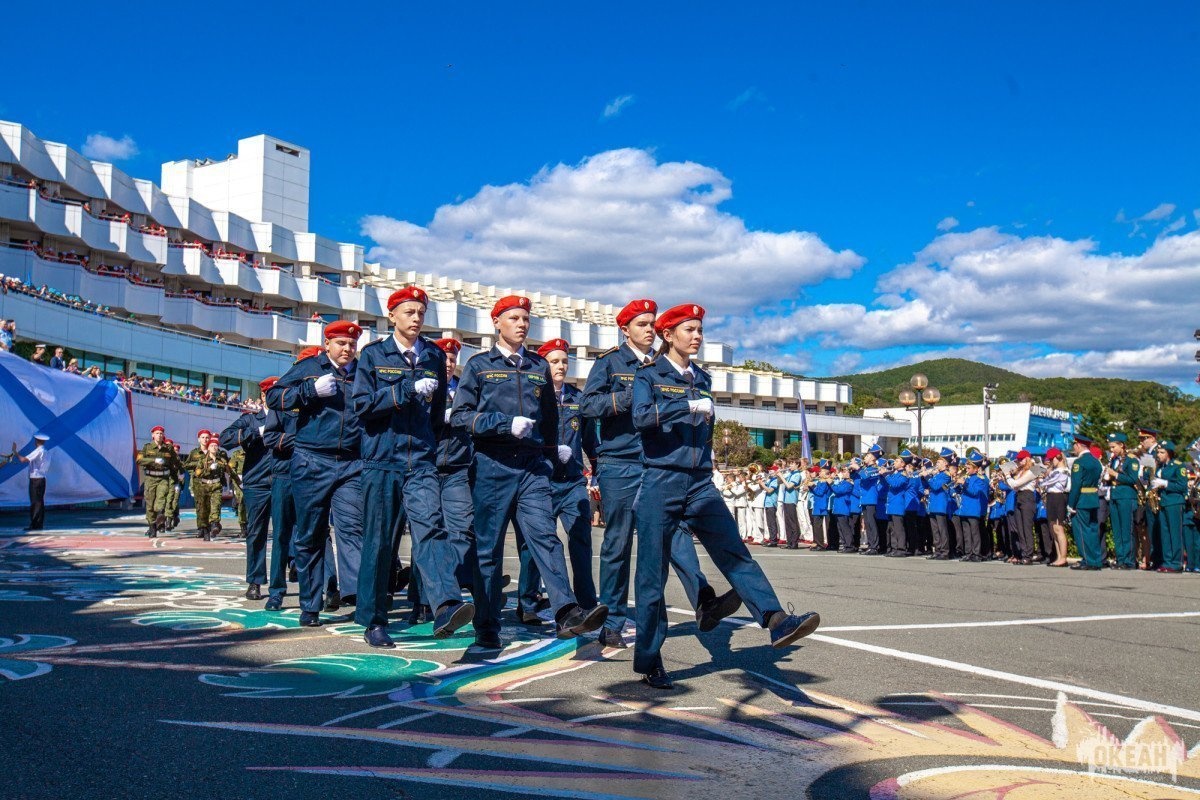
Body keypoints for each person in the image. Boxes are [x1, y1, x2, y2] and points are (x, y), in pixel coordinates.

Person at [629, 303, 819, 690]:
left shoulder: (702, 378)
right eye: (689, 330)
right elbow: (640, 418)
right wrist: (682, 406)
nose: (697, 336)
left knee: (734, 552)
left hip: (699, 483)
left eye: (700, 330)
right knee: (652, 575)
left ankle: (776, 620)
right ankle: (650, 659)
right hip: (660, 482)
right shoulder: (648, 376)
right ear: (669, 335)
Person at [451, 295, 608, 648]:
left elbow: (551, 422)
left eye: (526, 319)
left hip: (533, 468)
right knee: (488, 550)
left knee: (545, 538)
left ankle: (567, 612)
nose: (522, 324)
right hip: (492, 466)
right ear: (497, 323)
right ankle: (487, 625)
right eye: (514, 318)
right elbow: (461, 417)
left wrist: (550, 455)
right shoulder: (478, 366)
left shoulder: (538, 366)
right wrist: (503, 424)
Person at [580, 298, 735, 650]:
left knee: (677, 534)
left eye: (652, 324)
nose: (649, 330)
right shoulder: (610, 363)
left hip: (660, 461)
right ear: (625, 330)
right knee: (618, 543)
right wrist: (628, 397)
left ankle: (703, 599)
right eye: (641, 324)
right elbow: (588, 405)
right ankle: (613, 621)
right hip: (621, 462)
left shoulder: (666, 366)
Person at [351, 287, 473, 648]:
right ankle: (374, 619)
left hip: (419, 459)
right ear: (392, 316)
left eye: (420, 312)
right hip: (381, 460)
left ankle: (447, 604)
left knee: (431, 529)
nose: (416, 318)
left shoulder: (434, 356)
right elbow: (361, 405)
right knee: (379, 541)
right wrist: (403, 391)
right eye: (408, 311)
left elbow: (435, 416)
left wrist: (427, 444)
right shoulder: (373, 355)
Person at [266, 320, 366, 627]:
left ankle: (355, 595)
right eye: (341, 343)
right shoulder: (310, 367)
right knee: (310, 534)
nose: (347, 349)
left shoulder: (364, 373)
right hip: (311, 460)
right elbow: (275, 397)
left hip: (352, 462)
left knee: (353, 526)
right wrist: (310, 390)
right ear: (328, 345)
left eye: (351, 344)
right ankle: (310, 605)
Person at [513, 339, 600, 615]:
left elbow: (589, 441)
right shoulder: (532, 397)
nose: (561, 366)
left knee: (581, 539)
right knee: (534, 543)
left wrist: (597, 472)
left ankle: (586, 603)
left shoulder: (578, 398)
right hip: (541, 481)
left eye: (564, 361)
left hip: (573, 481)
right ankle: (527, 602)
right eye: (554, 361)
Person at [219, 377, 276, 601]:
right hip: (258, 484)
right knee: (256, 533)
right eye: (271, 393)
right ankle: (255, 580)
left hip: (285, 481)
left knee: (290, 533)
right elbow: (225, 438)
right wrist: (257, 432)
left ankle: (287, 580)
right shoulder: (251, 420)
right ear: (263, 396)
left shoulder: (291, 418)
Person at [1149, 441, 1187, 574]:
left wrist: (1165, 483)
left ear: (1169, 453)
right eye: (1158, 452)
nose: (1158, 455)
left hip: (1175, 502)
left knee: (1174, 533)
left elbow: (1182, 486)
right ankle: (1167, 561)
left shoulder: (1178, 466)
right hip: (1164, 502)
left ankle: (1176, 563)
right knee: (1165, 534)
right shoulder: (1160, 467)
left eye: (1161, 452)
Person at [1103, 433, 1140, 570]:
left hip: (1126, 496)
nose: (1111, 450)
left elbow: (1132, 479)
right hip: (1115, 496)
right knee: (1117, 530)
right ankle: (1120, 558)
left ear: (1121, 445)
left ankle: (1129, 561)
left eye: (1113, 447)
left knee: (1126, 529)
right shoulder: (1114, 460)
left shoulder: (1132, 460)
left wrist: (1115, 474)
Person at [1067, 434, 1103, 570]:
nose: (1073, 449)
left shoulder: (1079, 462)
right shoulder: (1096, 461)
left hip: (1081, 499)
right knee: (1093, 530)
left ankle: (1087, 560)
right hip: (1093, 497)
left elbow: (1076, 485)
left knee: (1082, 531)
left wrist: (1071, 504)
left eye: (1074, 445)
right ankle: (1095, 559)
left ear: (1078, 445)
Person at [137, 426, 178, 537]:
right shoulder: (147, 447)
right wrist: (153, 460)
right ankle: (152, 527)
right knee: (150, 505)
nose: (159, 435)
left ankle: (160, 514)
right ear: (153, 435)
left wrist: (178, 476)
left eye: (161, 433)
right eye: (157, 433)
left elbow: (174, 463)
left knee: (161, 498)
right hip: (150, 479)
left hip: (163, 478)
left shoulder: (168, 448)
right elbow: (139, 460)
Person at [1038, 448, 1071, 566]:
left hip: (1058, 497)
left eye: (1052, 459)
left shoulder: (1063, 471)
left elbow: (1046, 482)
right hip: (1051, 497)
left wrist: (1044, 477)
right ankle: (1058, 556)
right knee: (1053, 529)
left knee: (1058, 528)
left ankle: (1063, 557)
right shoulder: (1054, 470)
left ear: (1059, 457)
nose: (1051, 461)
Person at [11, 433, 51, 530]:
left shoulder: (38, 451)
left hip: (36, 479)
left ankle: (34, 525)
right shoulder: (46, 451)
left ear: (37, 441)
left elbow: (23, 460)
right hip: (42, 479)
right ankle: (38, 524)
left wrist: (15, 452)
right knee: (40, 502)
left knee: (35, 502)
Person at [192, 439, 229, 541]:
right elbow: (197, 474)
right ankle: (205, 529)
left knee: (215, 506)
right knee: (204, 509)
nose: (214, 447)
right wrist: (209, 469)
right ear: (208, 448)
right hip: (204, 487)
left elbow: (230, 471)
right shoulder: (202, 460)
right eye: (212, 445)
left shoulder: (221, 460)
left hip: (216, 485)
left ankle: (214, 524)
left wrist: (238, 482)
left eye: (216, 445)